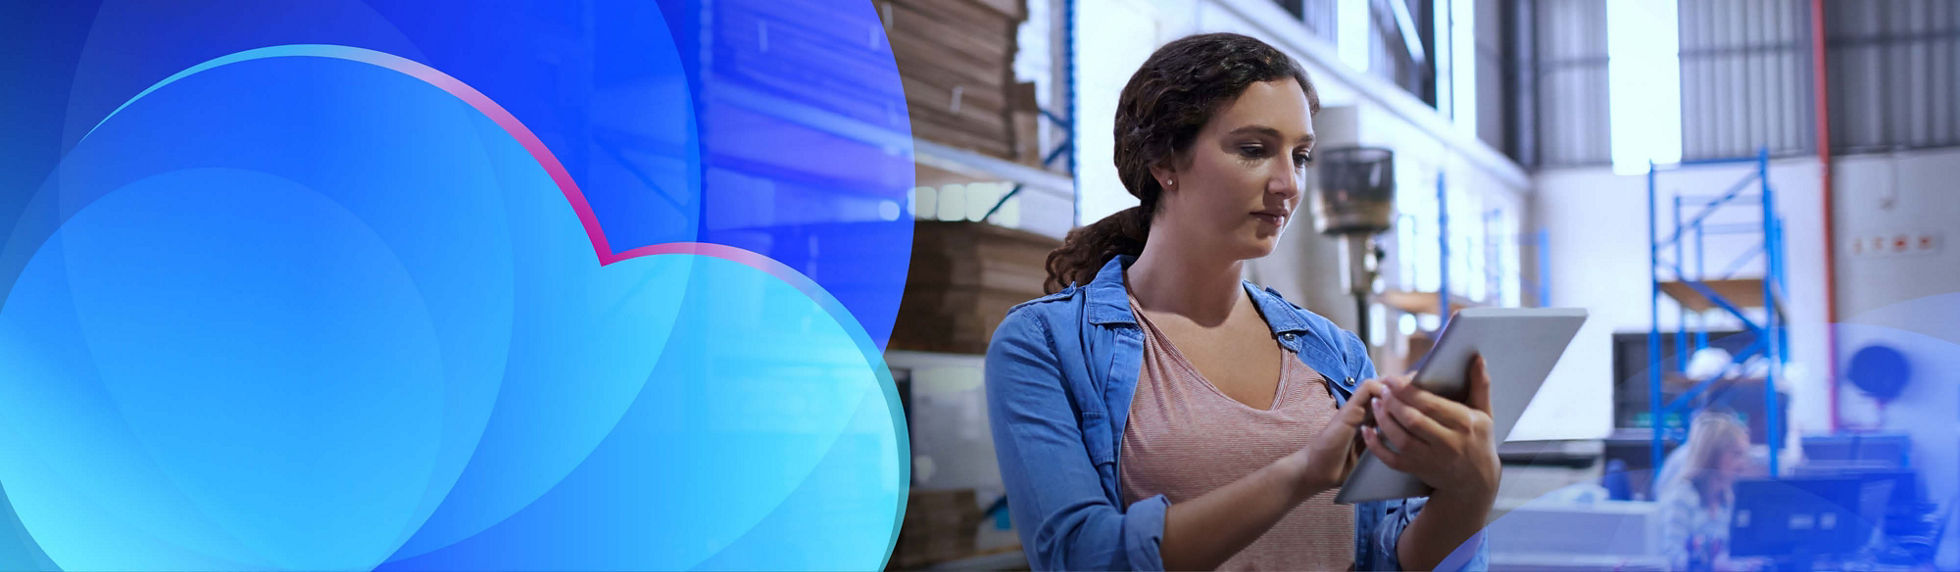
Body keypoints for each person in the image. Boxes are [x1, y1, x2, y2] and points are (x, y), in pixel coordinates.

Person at [983, 32, 1498, 571]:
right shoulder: (1045, 345)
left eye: (1300, 156)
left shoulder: (1335, 354)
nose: (1287, 183)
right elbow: (1081, 556)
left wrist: (1469, 493)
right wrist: (1298, 473)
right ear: (1164, 161)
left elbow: (1387, 555)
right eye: (1254, 150)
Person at [1657, 410, 1757, 571]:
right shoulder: (1681, 496)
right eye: (1736, 454)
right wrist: (1710, 564)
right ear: (1713, 455)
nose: (1742, 464)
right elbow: (1671, 556)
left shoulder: (1727, 498)